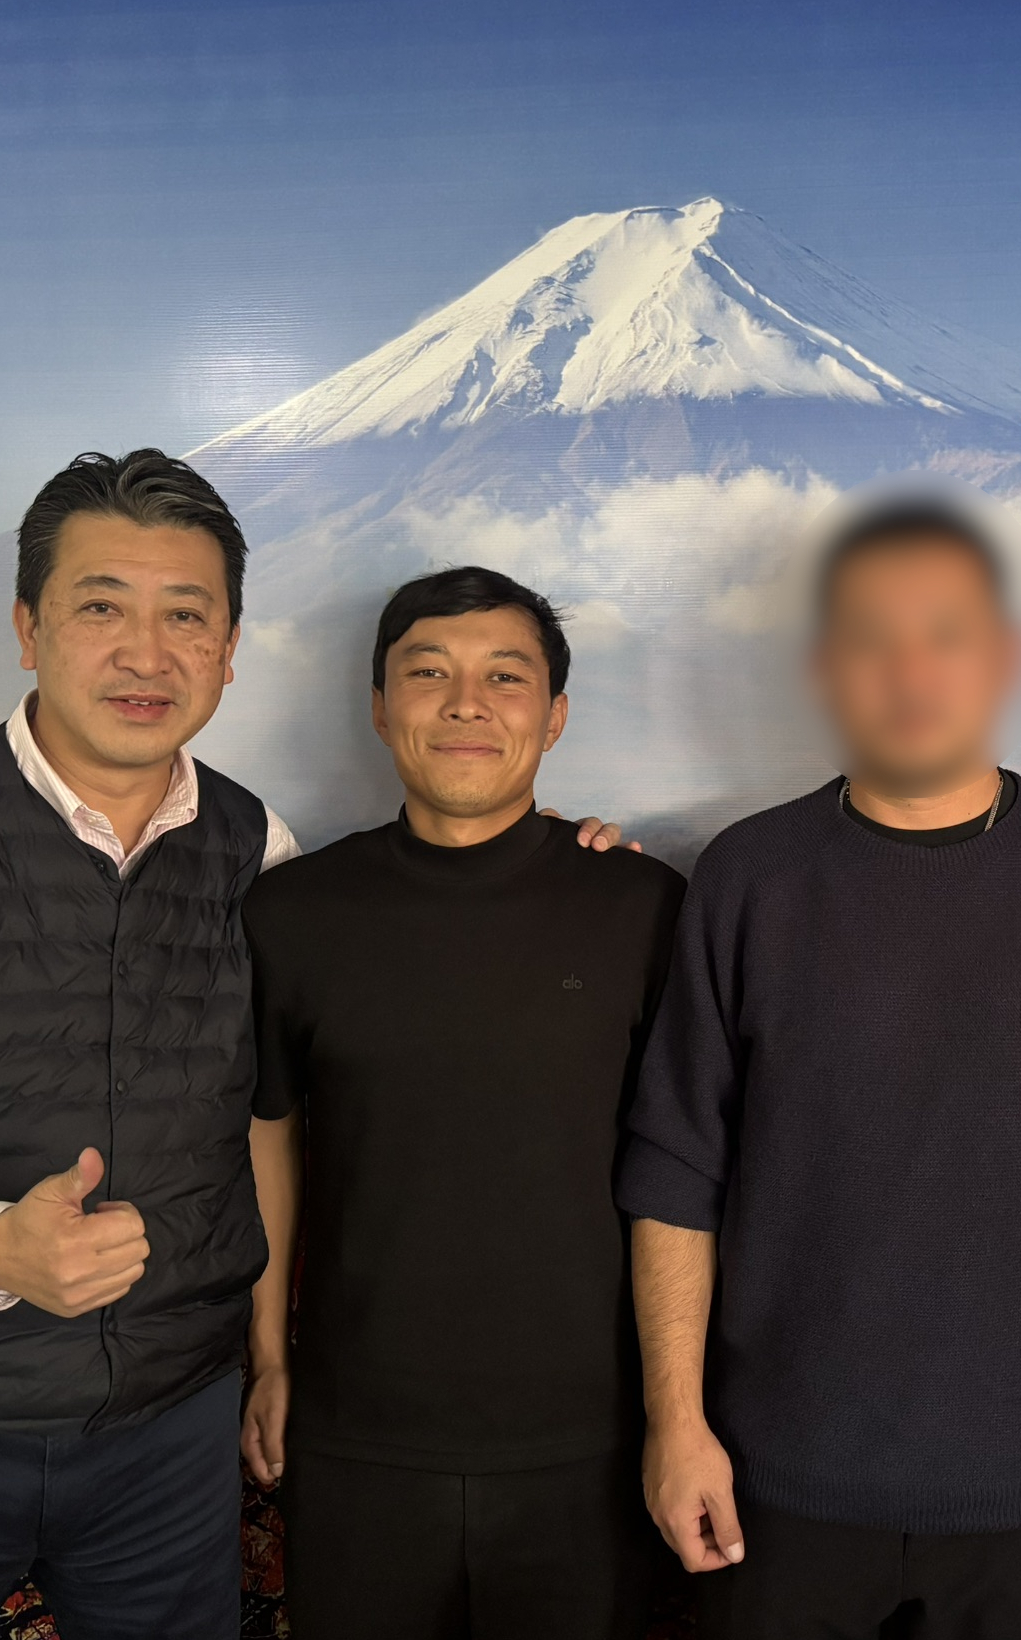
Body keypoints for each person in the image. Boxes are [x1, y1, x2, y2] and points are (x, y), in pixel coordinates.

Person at [0, 451, 627, 1639]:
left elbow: (309, 1081)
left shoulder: (260, 852)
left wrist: (544, 867)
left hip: (165, 1435)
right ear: (27, 626)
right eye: (102, 606)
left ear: (229, 647)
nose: (145, 654)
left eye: (186, 616)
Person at [618, 493, 1021, 1639]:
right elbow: (676, 1170)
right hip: (774, 1479)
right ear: (824, 669)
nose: (909, 672)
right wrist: (675, 1422)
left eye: (945, 636)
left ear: (1003, 659)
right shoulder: (746, 877)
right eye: (872, 640)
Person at [238, 566, 686, 1640]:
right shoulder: (292, 911)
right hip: (354, 1439)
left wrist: (679, 1411)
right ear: (379, 706)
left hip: (595, 1444)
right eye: (429, 673)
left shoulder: (645, 907)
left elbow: (688, 1172)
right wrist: (270, 1358)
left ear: (555, 715)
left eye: (506, 677)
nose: (466, 704)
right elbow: (268, 1134)